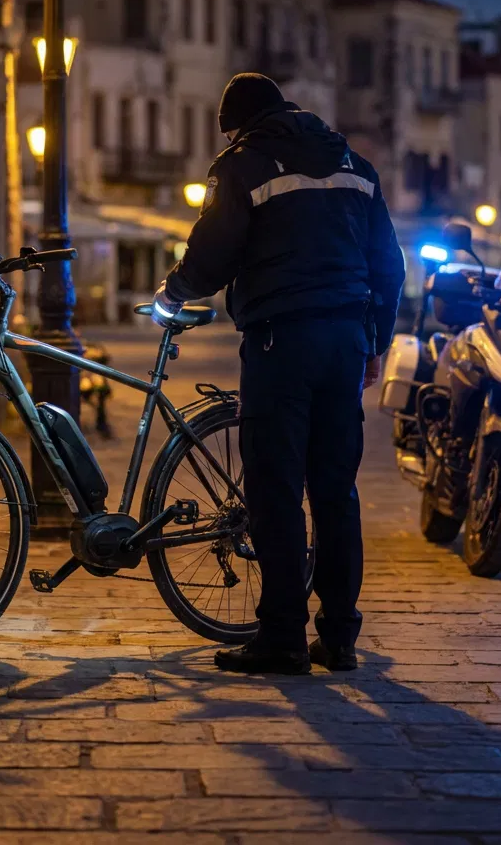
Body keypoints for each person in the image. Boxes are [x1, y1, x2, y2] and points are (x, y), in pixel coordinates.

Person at [152, 73, 405, 675]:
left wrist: (172, 294)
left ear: (240, 123)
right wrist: (376, 343)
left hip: (279, 339)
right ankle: (340, 636)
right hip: (345, 338)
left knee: (275, 488)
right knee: (336, 489)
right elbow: (389, 267)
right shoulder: (354, 164)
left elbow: (213, 249)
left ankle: (283, 636)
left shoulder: (244, 164)